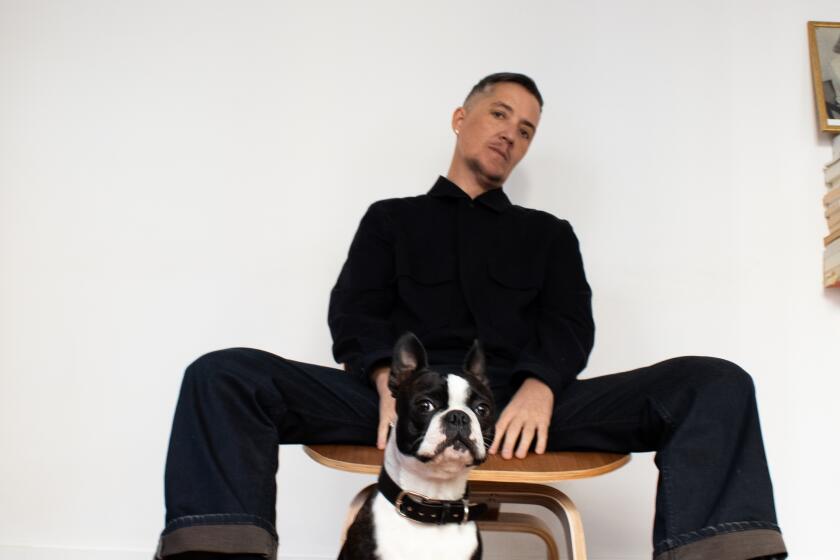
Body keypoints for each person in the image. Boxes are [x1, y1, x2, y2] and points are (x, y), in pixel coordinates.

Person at [154, 73, 787, 560]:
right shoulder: (391, 219)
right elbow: (354, 310)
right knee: (222, 375)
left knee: (716, 382)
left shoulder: (548, 234)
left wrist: (541, 386)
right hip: (399, 401)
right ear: (461, 119)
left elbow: (570, 325)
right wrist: (382, 379)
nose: (512, 132)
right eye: (500, 114)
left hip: (515, 404)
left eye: (528, 129)